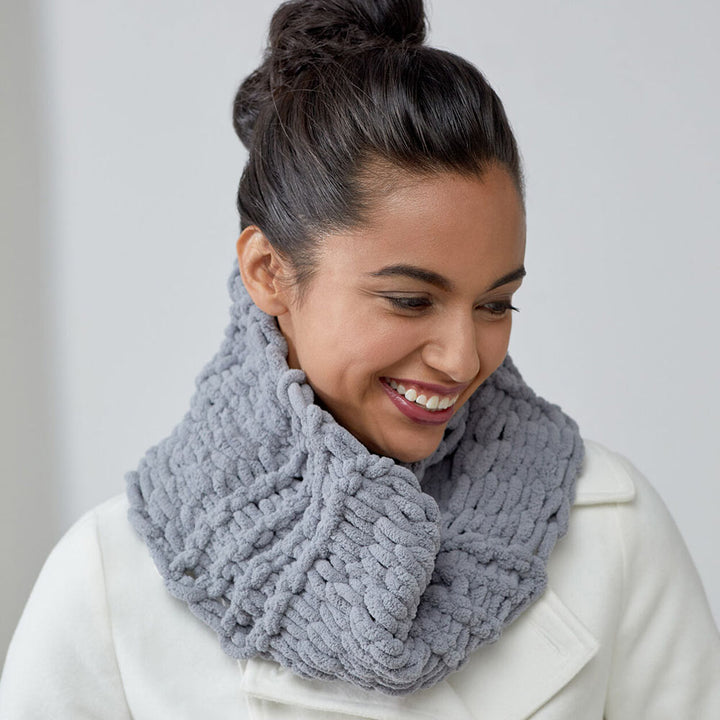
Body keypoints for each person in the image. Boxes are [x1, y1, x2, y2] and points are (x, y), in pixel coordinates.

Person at [1, 0, 719, 717]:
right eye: (409, 300)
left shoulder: (611, 532)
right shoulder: (108, 589)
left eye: (496, 304)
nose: (461, 358)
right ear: (268, 272)